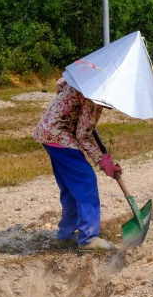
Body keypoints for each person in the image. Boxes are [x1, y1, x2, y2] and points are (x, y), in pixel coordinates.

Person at [33, 78, 121, 251]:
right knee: (85, 182)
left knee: (70, 187)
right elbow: (83, 135)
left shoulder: (83, 80)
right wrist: (102, 161)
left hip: (46, 131)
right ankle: (89, 238)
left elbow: (60, 84)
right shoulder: (96, 97)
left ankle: (65, 234)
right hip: (60, 136)